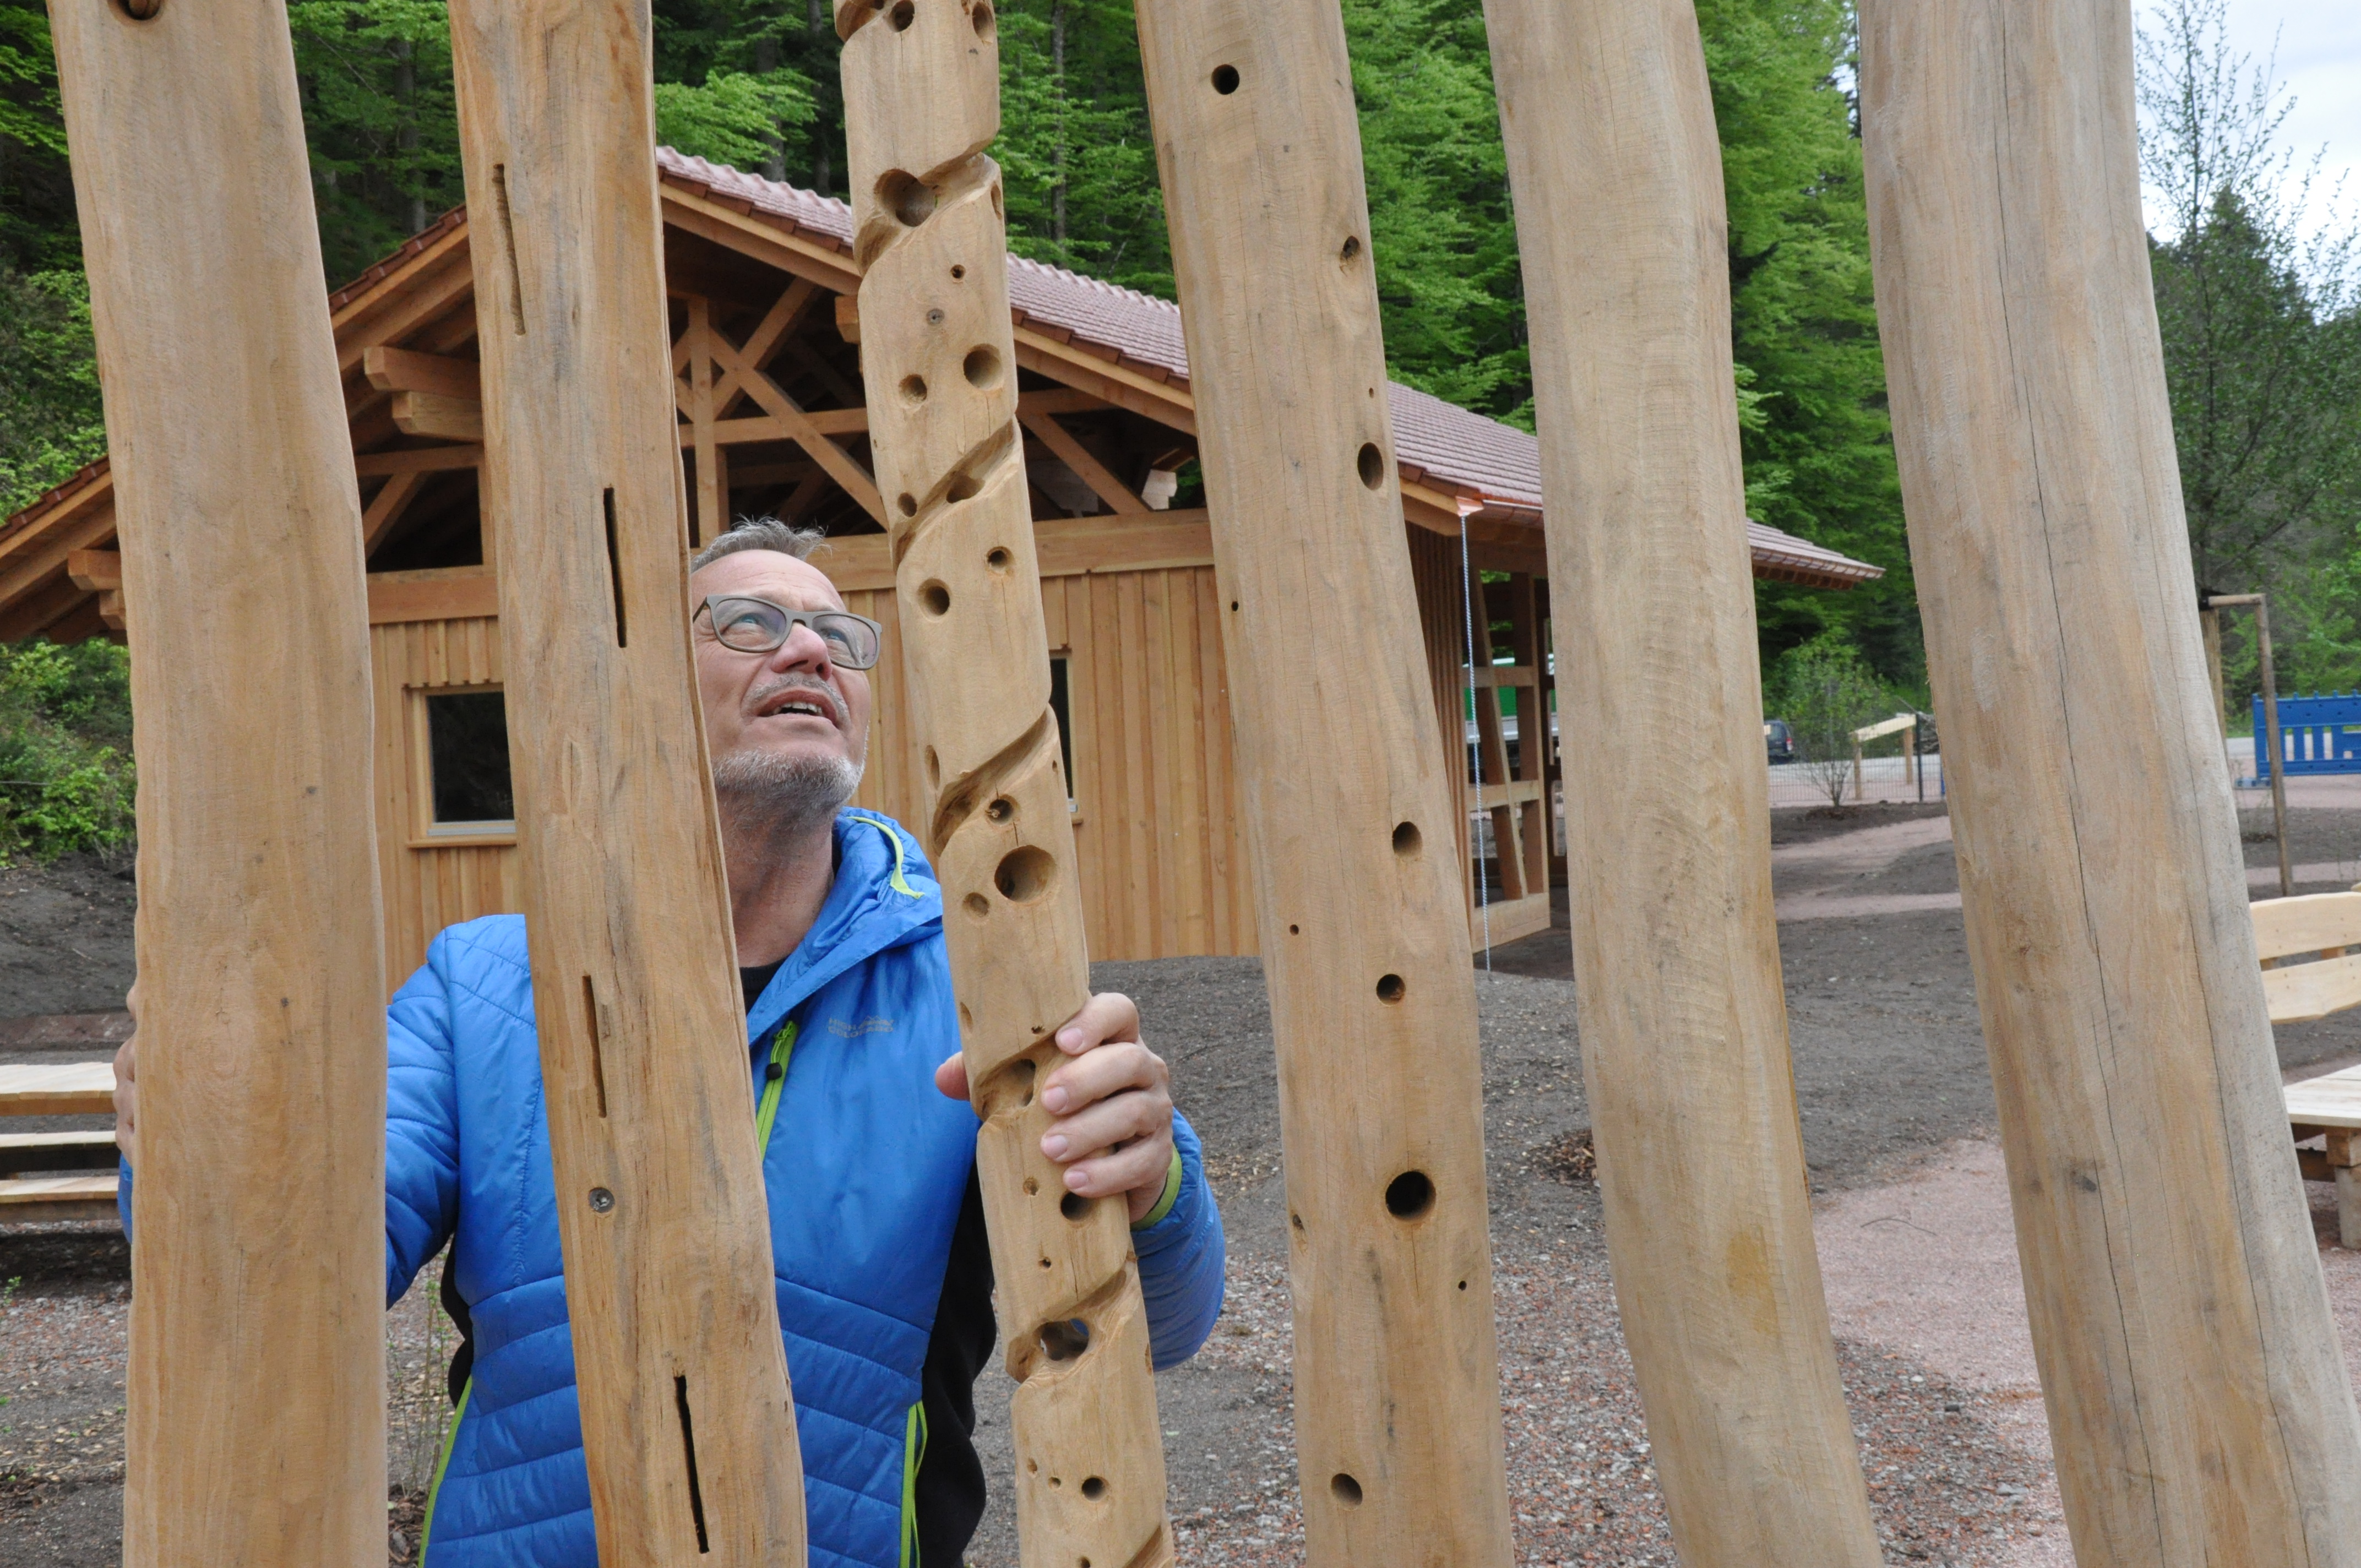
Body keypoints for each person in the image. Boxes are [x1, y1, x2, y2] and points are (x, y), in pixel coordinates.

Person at [112, 518, 1226, 1568]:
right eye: (748, 623)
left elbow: (1160, 1328)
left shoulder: (984, 985)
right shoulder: (489, 982)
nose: (808, 649)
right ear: (641, 689)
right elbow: (302, 1274)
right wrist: (198, 1145)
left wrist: (1152, 1173)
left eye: (839, 635)